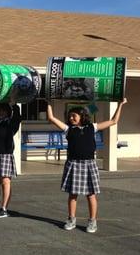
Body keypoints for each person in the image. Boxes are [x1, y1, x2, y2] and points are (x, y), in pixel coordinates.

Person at [47, 98, 127, 233]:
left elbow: (113, 121)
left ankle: (92, 221)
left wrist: (120, 105)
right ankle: (71, 219)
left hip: (89, 165)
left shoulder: (92, 127)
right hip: (73, 164)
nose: (71, 118)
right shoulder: (68, 129)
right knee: (73, 195)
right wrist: (48, 103)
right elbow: (51, 118)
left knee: (91, 195)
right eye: (70, 116)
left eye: (74, 115)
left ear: (82, 116)